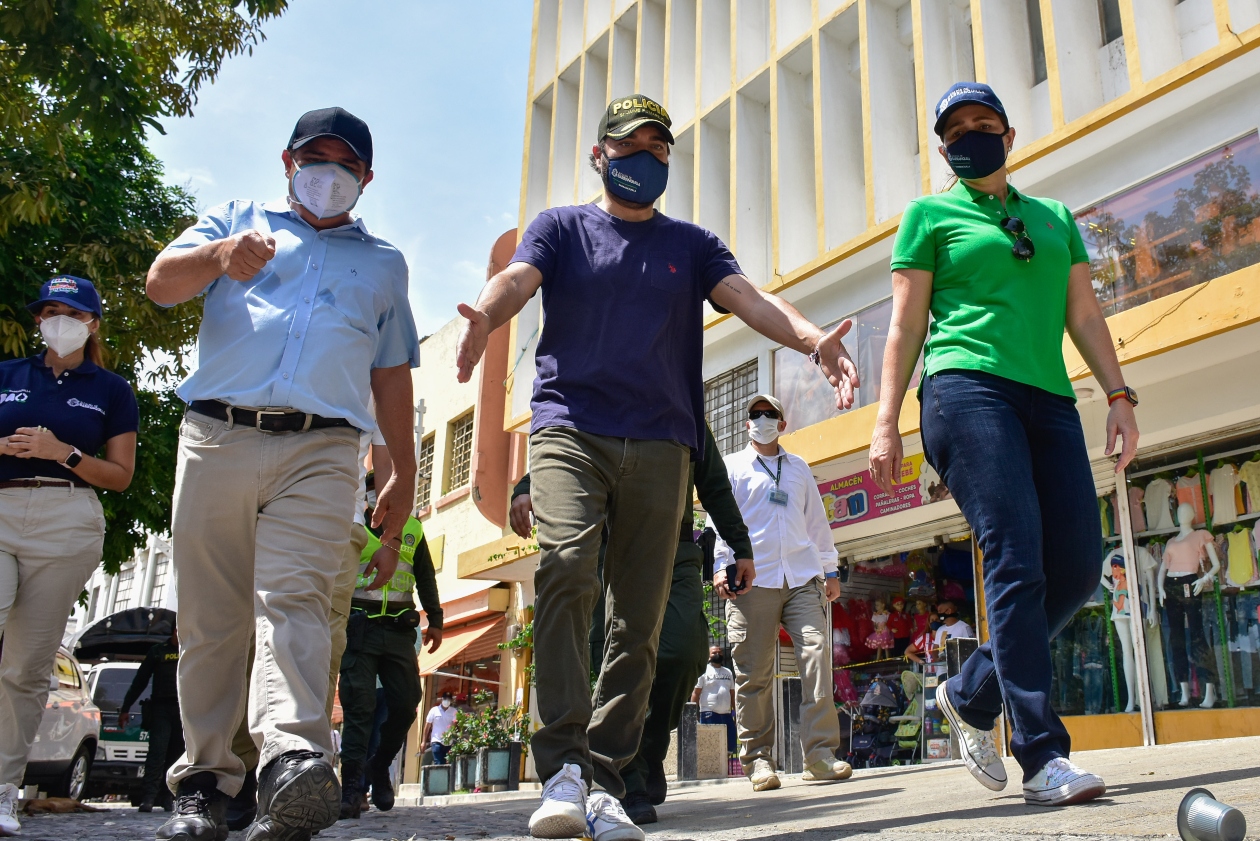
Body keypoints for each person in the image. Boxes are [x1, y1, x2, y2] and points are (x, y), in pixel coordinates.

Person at [455, 93, 858, 841]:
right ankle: (563, 769)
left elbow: (747, 298)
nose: (646, 156)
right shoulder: (562, 227)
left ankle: (605, 778)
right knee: (569, 566)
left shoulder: (692, 245)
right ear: (599, 154)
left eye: (659, 146)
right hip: (571, 428)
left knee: (638, 621)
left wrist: (810, 339)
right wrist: (487, 313)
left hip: (662, 443)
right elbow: (518, 278)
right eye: (630, 143)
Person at [145, 106, 419, 841]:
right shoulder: (236, 219)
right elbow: (160, 284)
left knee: (293, 601)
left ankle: (292, 761)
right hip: (216, 436)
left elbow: (392, 373)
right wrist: (218, 255)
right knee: (211, 619)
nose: (327, 174)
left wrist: (407, 468)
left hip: (323, 450)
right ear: (288, 161)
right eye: (313, 158)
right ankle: (204, 781)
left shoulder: (384, 262)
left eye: (343, 164)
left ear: (366, 178)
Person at [868, 82, 1139, 808]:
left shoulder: (1052, 217)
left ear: (1010, 135)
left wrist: (1119, 394)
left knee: (1078, 567)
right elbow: (904, 326)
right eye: (955, 130)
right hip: (966, 390)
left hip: (1048, 398)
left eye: (983, 124)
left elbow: (1083, 310)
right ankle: (1044, 756)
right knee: (1015, 553)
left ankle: (972, 690)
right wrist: (885, 417)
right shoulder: (929, 216)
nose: (970, 136)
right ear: (943, 147)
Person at [510, 421, 752, 826]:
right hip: (605, 548)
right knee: (610, 652)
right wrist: (525, 487)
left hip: (672, 549)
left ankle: (649, 749)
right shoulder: (608, 384)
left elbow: (714, 483)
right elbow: (574, 446)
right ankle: (627, 775)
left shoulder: (682, 406)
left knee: (683, 649)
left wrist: (739, 544)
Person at [0, 275, 139, 836]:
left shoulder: (112, 390)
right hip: (3, 506)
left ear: (92, 323)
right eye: (49, 310)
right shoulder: (7, 375)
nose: (58, 319)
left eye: (71, 311)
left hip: (67, 518)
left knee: (27, 666)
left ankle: (4, 789)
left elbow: (121, 475)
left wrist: (65, 453)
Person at [713, 394, 851, 792]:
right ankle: (758, 760)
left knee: (816, 653)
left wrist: (830, 569)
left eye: (768, 414)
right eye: (754, 414)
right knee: (753, 673)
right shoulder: (733, 467)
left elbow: (816, 521)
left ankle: (820, 755)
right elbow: (721, 521)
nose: (760, 419)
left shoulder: (799, 468)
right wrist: (723, 566)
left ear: (782, 423)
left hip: (802, 578)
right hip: (752, 579)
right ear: (746, 425)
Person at [338, 469, 443, 819]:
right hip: (359, 627)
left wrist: (436, 620)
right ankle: (351, 787)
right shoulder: (351, 524)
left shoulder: (412, 528)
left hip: (399, 628)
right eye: (371, 489)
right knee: (359, 707)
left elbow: (425, 576)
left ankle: (379, 764)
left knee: (406, 702)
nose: (376, 495)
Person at [120, 623, 184, 812]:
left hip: (181, 710)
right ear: (174, 631)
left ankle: (168, 797)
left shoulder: (190, 651)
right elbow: (140, 681)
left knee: (176, 756)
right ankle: (148, 797)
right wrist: (125, 708)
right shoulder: (158, 652)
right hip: (161, 708)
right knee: (156, 753)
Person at [904, 600, 974, 674]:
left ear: (949, 611)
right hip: (942, 670)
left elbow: (971, 649)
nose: (939, 613)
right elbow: (936, 647)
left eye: (940, 611)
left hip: (958, 670)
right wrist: (936, 659)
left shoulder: (964, 627)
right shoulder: (941, 630)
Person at [692, 647, 737, 757]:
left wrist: (735, 712)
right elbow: (696, 693)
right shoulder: (703, 671)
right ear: (708, 656)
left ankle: (724, 766)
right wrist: (693, 713)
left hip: (726, 714)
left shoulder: (728, 672)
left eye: (720, 652)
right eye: (714, 653)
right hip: (709, 713)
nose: (718, 654)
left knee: (731, 741)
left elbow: (732, 693)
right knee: (710, 743)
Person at [421, 691, 458, 766]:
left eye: (449, 699)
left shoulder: (454, 711)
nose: (447, 701)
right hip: (436, 741)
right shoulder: (434, 710)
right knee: (438, 764)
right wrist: (423, 742)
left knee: (448, 765)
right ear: (442, 699)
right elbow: (427, 726)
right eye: (445, 699)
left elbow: (454, 725)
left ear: (451, 701)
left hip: (449, 742)